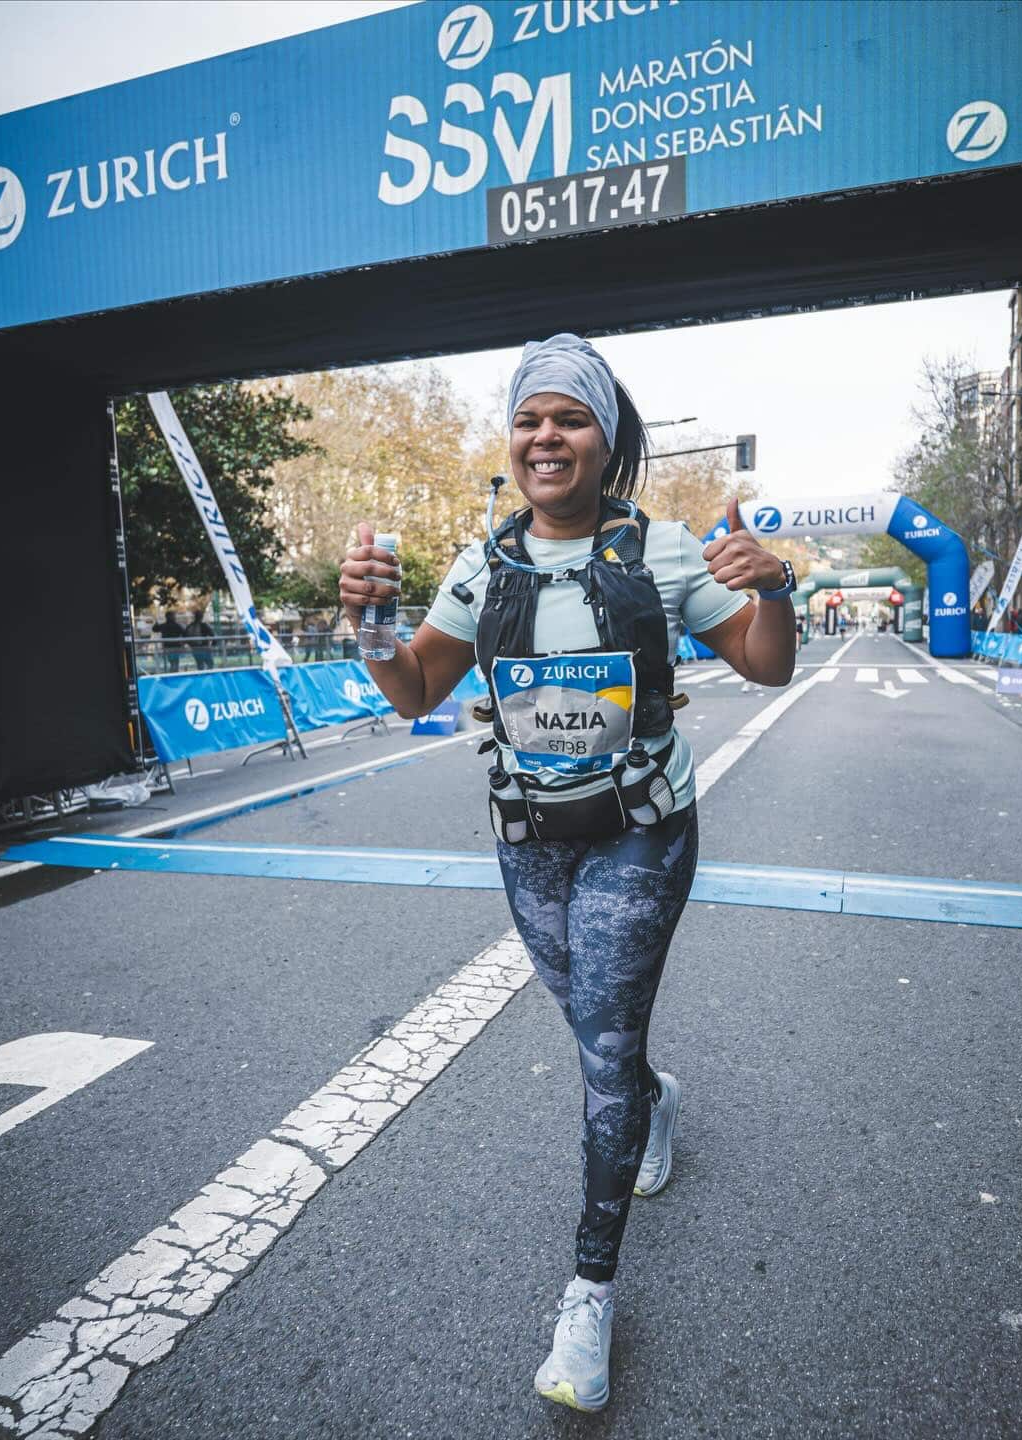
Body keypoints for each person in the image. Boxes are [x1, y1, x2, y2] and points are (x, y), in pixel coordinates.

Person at [338, 332, 796, 1414]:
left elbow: (770, 664)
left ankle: (589, 1289)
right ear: (514, 443)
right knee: (596, 1032)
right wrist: (366, 618)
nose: (549, 437)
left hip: (641, 829)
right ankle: (655, 1100)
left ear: (606, 440)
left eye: (572, 418)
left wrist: (775, 587)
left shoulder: (668, 550)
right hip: (528, 840)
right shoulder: (480, 563)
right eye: (531, 420)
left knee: (602, 1045)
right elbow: (410, 692)